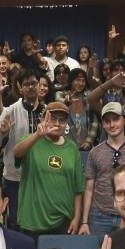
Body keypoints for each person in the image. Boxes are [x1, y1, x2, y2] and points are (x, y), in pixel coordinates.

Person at [12, 102, 85, 239]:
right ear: (43, 119)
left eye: (62, 120)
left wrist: (76, 218)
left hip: (63, 221)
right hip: (33, 221)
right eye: (53, 118)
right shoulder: (31, 141)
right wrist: (37, 135)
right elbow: (16, 153)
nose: (57, 123)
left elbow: (78, 188)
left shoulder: (72, 148)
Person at [0, 70, 45, 228]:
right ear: (20, 88)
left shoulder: (48, 112)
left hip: (42, 177)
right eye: (26, 84)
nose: (31, 87)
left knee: (39, 222)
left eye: (34, 83)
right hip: (15, 178)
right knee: (15, 223)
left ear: (40, 86)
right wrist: (2, 133)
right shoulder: (11, 111)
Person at [81, 102, 125, 235]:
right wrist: (84, 221)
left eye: (116, 119)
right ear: (103, 124)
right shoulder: (95, 152)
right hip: (99, 215)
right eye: (107, 121)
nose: (112, 125)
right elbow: (89, 188)